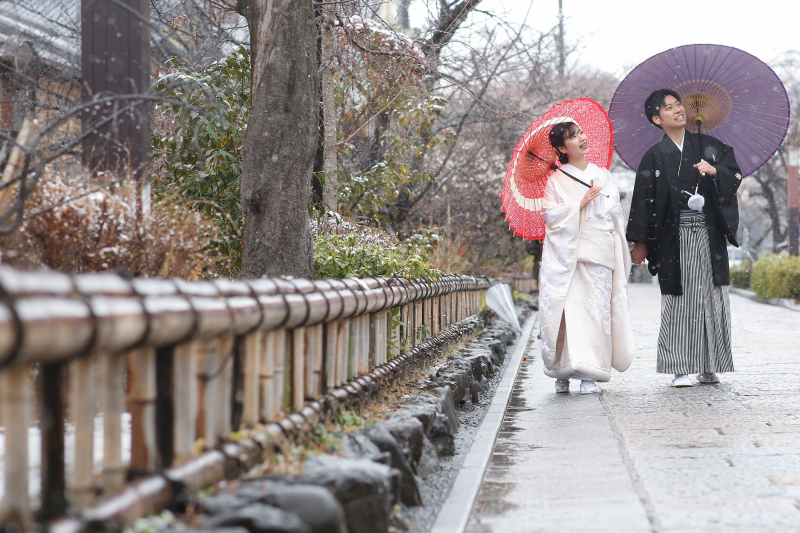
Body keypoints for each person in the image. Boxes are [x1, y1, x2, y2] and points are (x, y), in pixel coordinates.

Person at [626, 89, 742, 387]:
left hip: (708, 231)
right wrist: (640, 242)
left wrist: (715, 171)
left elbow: (735, 175)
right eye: (669, 107)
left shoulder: (709, 145)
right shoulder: (654, 156)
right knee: (679, 299)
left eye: (679, 104)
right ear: (657, 119)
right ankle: (679, 366)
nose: (678, 110)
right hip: (672, 237)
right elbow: (644, 199)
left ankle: (709, 364)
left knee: (711, 296)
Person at [539, 121, 634, 394]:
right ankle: (563, 370)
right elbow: (550, 215)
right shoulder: (555, 180)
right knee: (568, 314)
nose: (581, 138)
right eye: (572, 136)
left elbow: (614, 213)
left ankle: (589, 372)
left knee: (594, 313)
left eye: (581, 132)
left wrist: (599, 201)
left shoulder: (603, 175)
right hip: (567, 258)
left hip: (598, 255)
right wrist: (578, 205)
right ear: (561, 148)